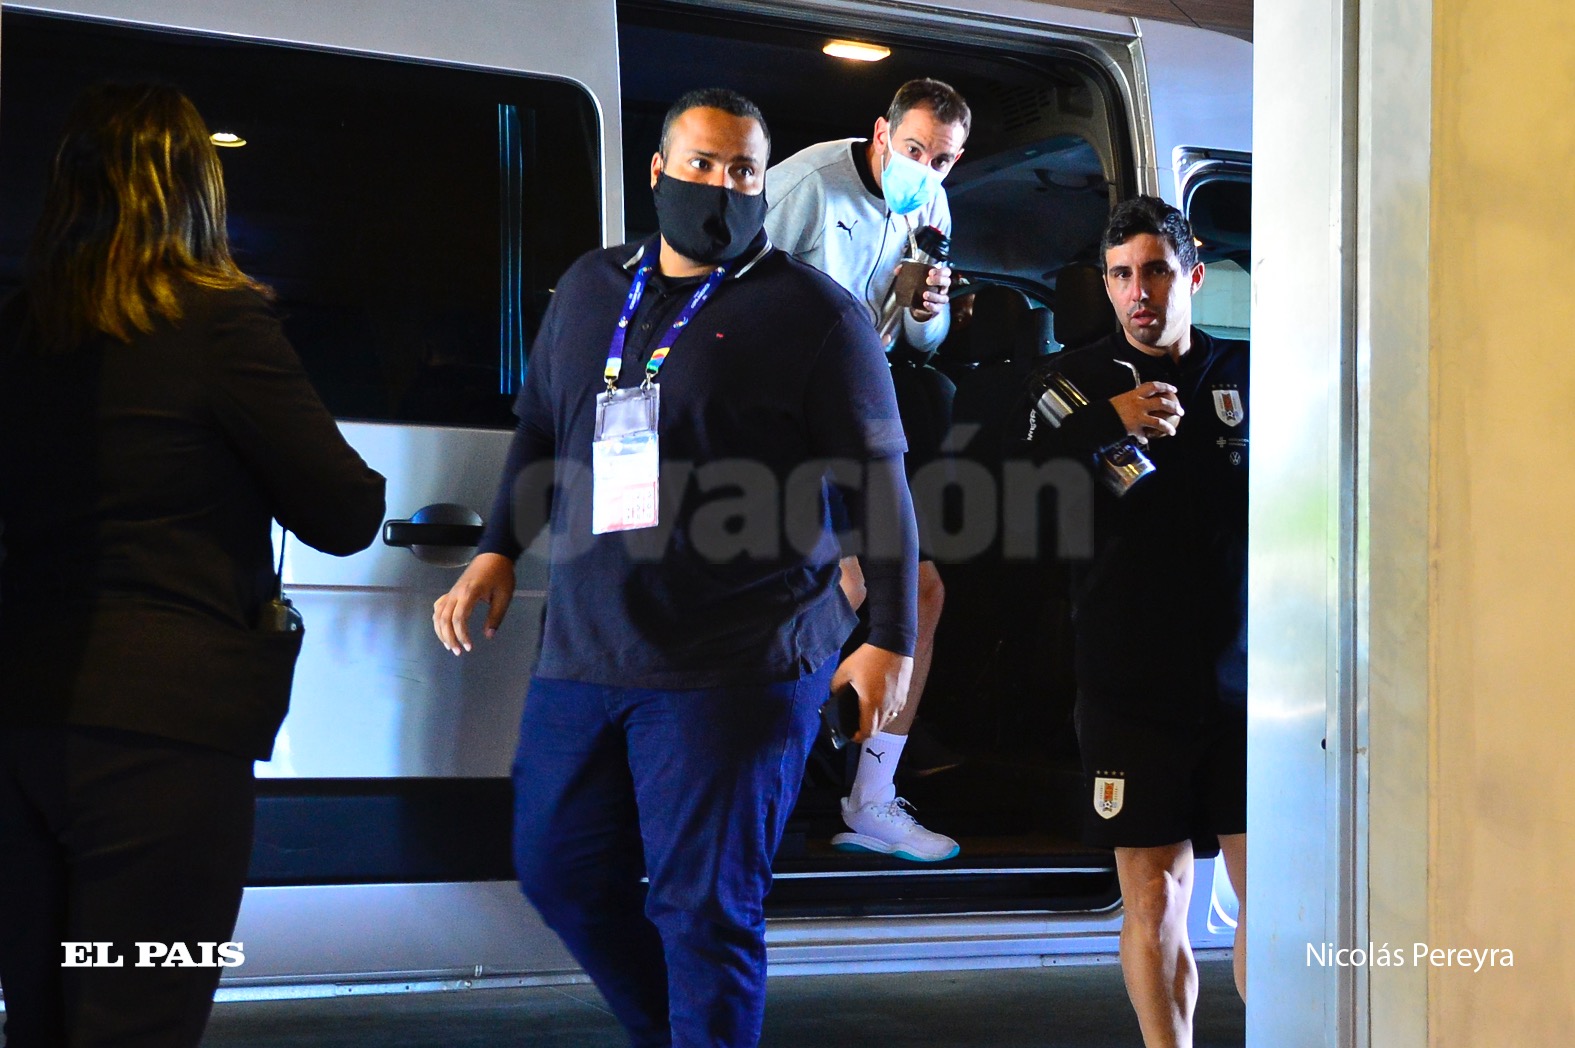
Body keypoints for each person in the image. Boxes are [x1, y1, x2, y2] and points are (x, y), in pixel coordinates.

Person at [431, 89, 918, 1047]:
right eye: (702, 163)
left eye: (743, 170)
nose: (723, 186)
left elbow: (881, 485)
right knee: (559, 869)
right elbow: (541, 425)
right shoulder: (587, 288)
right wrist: (495, 549)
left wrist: (889, 638)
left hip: (738, 662)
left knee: (704, 912)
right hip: (586, 646)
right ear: (656, 172)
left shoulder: (815, 315)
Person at [0, 84, 386, 1047]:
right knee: (139, 1011)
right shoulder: (216, 325)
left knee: (43, 1015)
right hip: (161, 747)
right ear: (195, 195)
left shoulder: (18, 332)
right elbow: (344, 511)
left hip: (20, 727)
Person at [1016, 196, 1247, 1047]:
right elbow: (1006, 481)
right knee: (1155, 894)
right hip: (1127, 680)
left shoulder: (1246, 372)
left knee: (1273, 890)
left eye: (1153, 270)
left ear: (1190, 274)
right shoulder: (1067, 383)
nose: (1137, 291)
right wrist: (1103, 423)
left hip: (1245, 678)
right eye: (1119, 275)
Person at [763, 79, 970, 863]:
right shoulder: (803, 187)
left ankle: (870, 797)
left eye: (943, 160)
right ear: (880, 132)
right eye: (914, 150)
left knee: (916, 589)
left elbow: (923, 343)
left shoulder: (931, 207)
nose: (925, 170)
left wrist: (925, 310)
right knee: (841, 588)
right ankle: (753, 769)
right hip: (785, 421)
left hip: (865, 412)